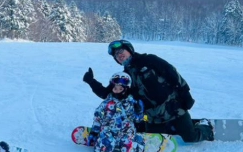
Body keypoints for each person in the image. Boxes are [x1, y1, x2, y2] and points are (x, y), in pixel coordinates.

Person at [83, 40, 214, 143]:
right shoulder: (125, 78)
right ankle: (173, 127)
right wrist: (91, 82)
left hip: (175, 109)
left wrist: (186, 94)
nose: (120, 55)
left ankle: (206, 127)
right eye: (116, 54)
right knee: (154, 140)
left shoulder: (149, 60)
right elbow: (110, 94)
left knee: (190, 137)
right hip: (154, 118)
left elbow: (173, 75)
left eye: (121, 50)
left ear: (129, 50)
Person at [85, 73, 146, 152]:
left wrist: (139, 112)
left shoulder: (132, 102)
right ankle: (105, 142)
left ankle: (139, 142)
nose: (117, 91)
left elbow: (139, 119)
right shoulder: (106, 103)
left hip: (126, 131)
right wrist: (95, 132)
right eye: (115, 88)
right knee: (101, 151)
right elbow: (98, 117)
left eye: (120, 88)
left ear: (126, 89)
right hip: (109, 131)